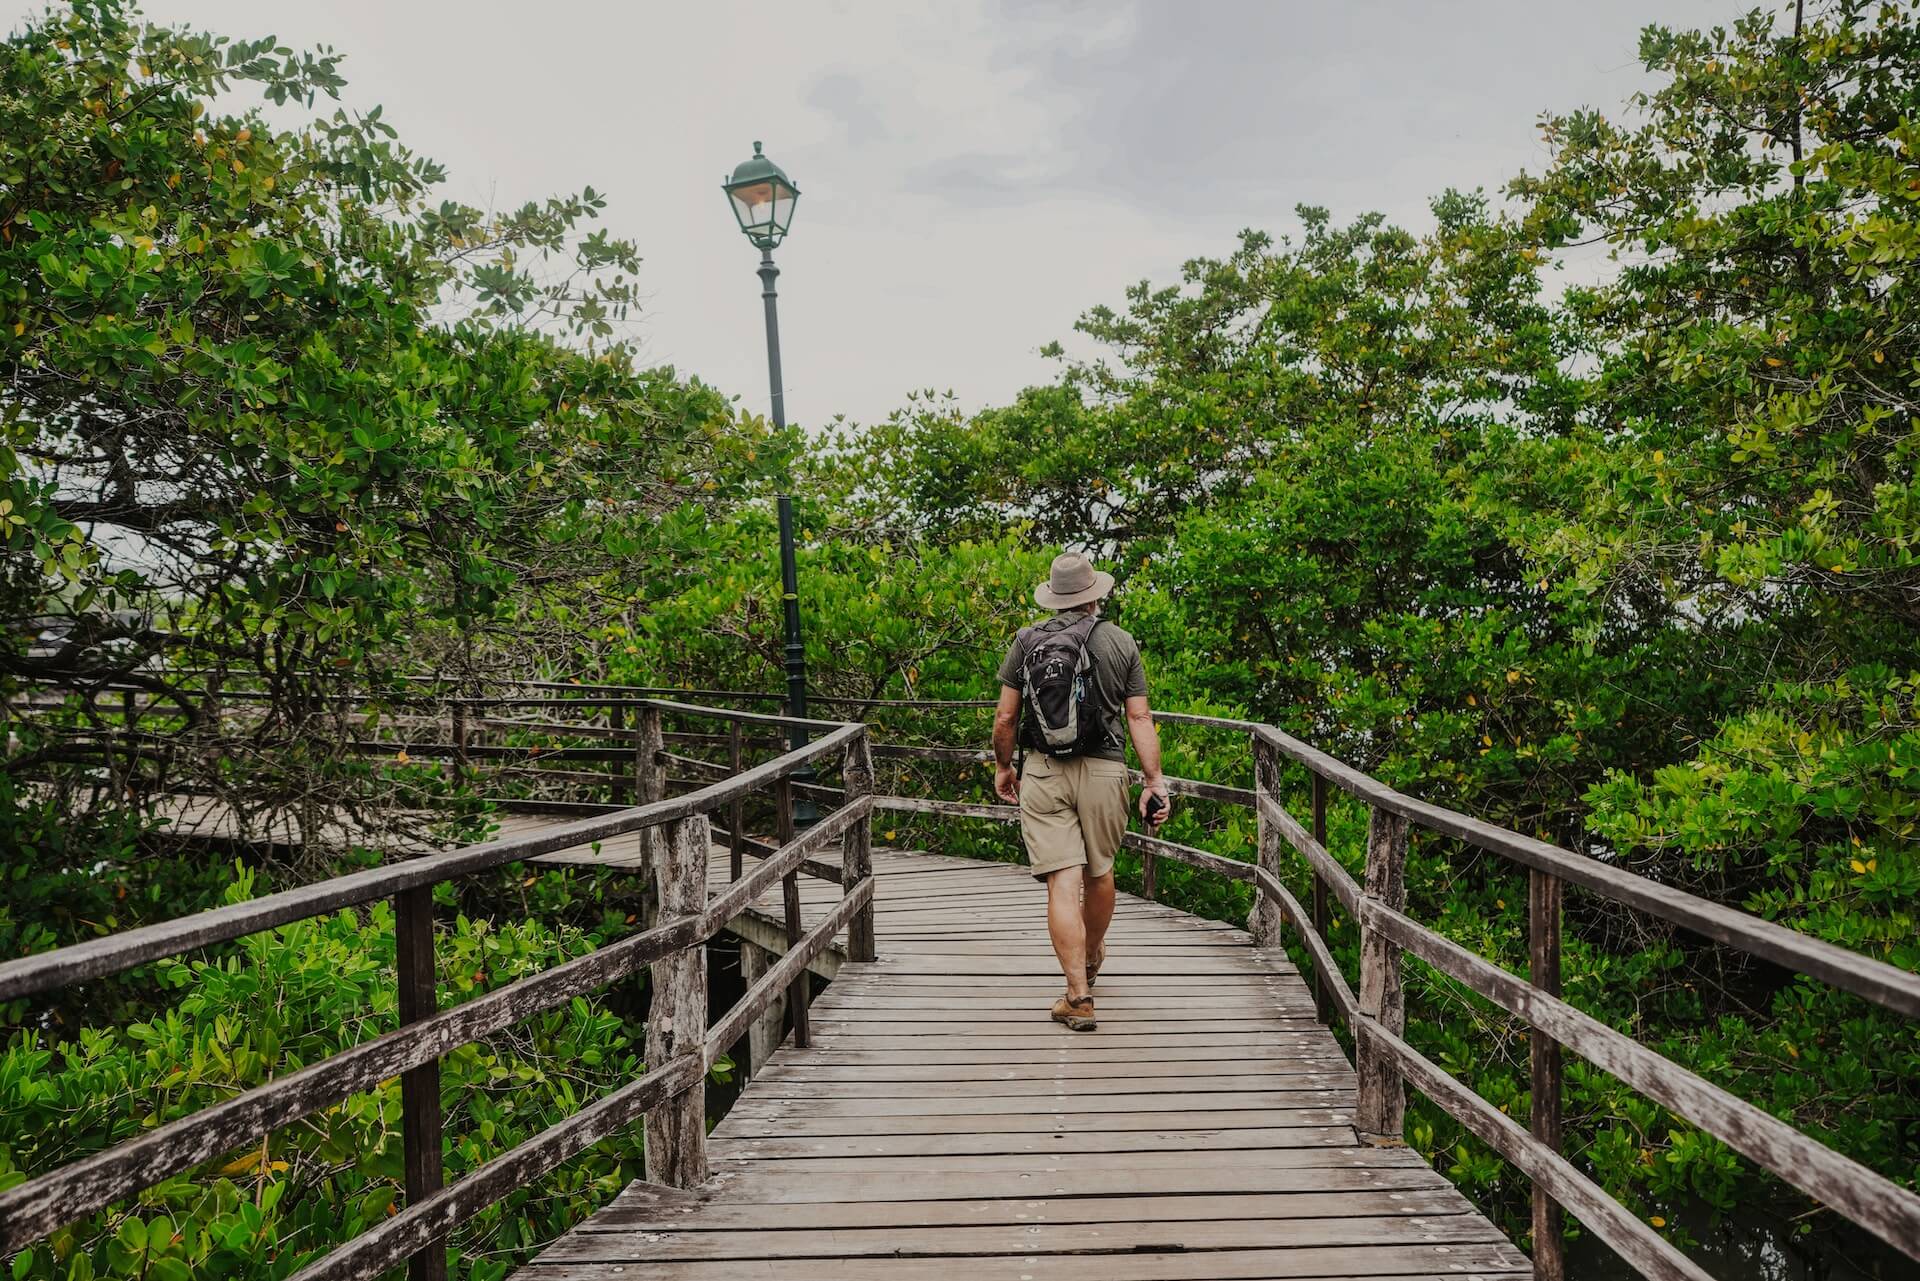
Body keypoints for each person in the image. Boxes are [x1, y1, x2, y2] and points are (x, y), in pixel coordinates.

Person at [992, 551, 1170, 1032]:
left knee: (1061, 882)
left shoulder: (1026, 640)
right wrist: (1154, 782)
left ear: (1054, 599)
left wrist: (1005, 767)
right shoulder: (1120, 642)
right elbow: (1139, 718)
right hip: (1105, 772)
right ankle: (1091, 957)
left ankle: (1078, 995)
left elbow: (1007, 717)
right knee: (1100, 872)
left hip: (1044, 771)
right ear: (1095, 595)